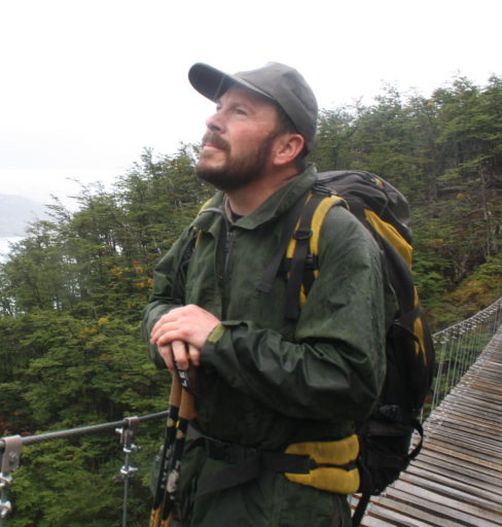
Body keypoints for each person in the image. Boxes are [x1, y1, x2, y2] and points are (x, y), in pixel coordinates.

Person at [142, 62, 392, 526]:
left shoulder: (335, 235)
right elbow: (161, 300)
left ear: (286, 147)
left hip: (286, 503)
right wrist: (169, 333)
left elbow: (350, 382)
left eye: (239, 111)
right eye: (218, 108)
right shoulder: (210, 222)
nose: (213, 120)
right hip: (193, 481)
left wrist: (217, 341)